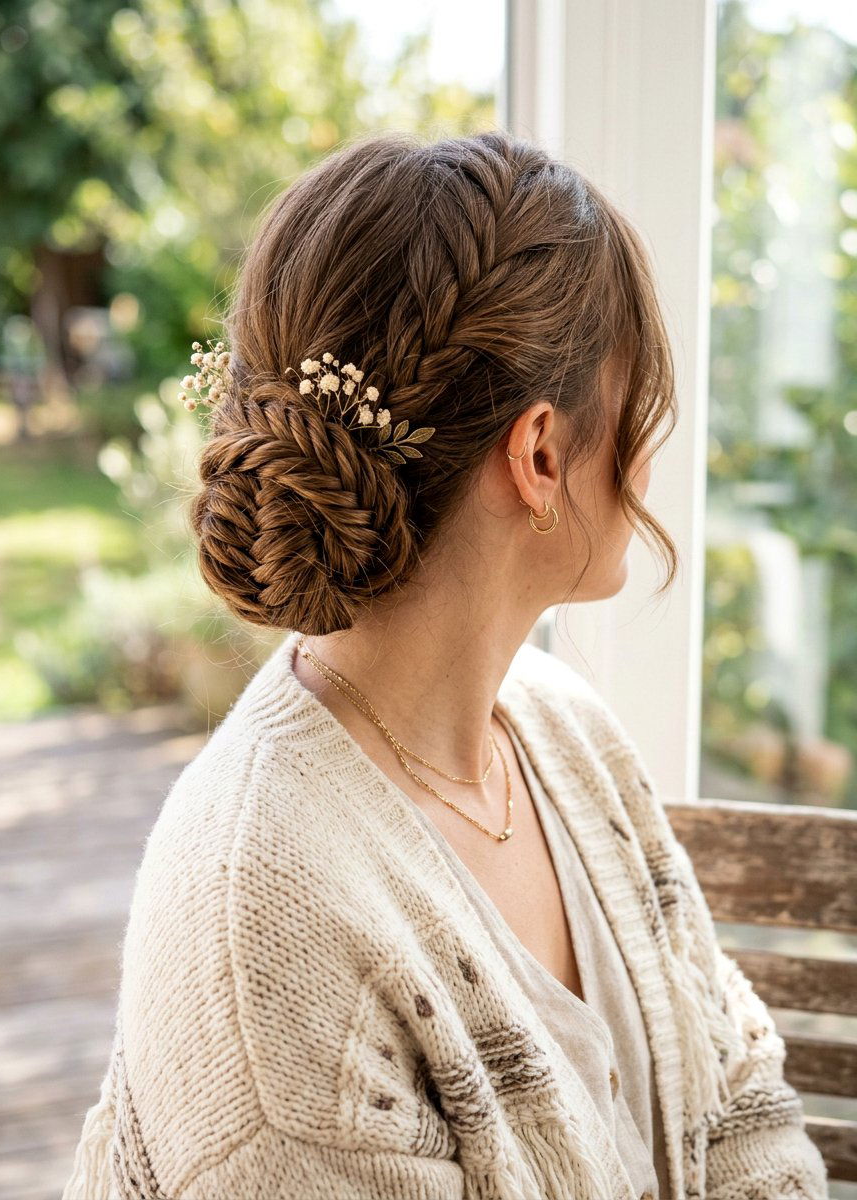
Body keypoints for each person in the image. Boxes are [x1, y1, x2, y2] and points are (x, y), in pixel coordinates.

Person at [62, 129, 829, 1200]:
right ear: (541, 455)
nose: (652, 452)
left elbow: (737, 1093)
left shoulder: (561, 729)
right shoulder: (264, 920)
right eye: (639, 399)